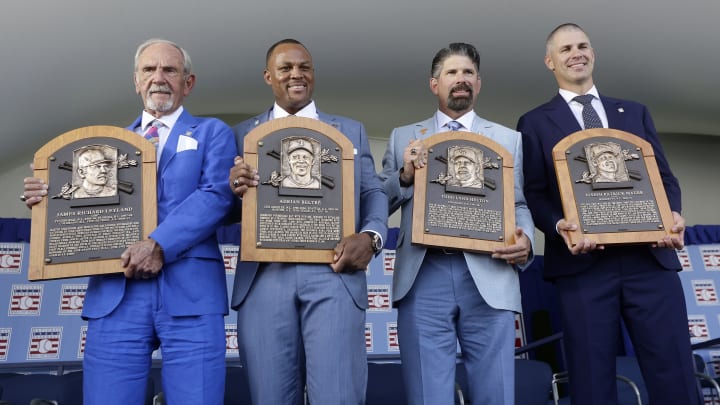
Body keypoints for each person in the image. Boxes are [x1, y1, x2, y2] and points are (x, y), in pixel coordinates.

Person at [22, 38, 237, 404]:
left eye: (170, 70)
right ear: (136, 81)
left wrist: (158, 245)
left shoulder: (212, 133)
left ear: (188, 82)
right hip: (115, 295)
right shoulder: (97, 148)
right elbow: (77, 211)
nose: (159, 78)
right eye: (149, 70)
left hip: (191, 293)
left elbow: (216, 194)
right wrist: (46, 199)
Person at [517, 23, 700, 404]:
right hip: (583, 266)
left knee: (674, 369)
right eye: (566, 49)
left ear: (593, 53)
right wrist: (556, 224)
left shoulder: (634, 112)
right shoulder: (534, 122)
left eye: (583, 45)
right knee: (590, 375)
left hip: (649, 259)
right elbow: (533, 191)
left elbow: (664, 178)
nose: (576, 53)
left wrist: (674, 214)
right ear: (551, 61)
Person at [228, 38, 388, 404]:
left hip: (334, 272)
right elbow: (224, 207)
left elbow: (373, 193)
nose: (296, 75)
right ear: (269, 76)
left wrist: (372, 236)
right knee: (270, 397)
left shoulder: (350, 130)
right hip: (264, 277)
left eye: (304, 67)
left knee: (338, 395)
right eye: (285, 68)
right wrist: (230, 189)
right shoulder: (240, 135)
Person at [379, 42, 534, 405]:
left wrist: (525, 239)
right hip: (423, 274)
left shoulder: (509, 139)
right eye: (452, 72)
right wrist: (404, 174)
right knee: (427, 394)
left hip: (489, 274)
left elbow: (519, 203)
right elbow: (378, 202)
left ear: (478, 84)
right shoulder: (404, 136)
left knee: (496, 393)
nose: (460, 79)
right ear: (434, 84)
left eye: (468, 73)